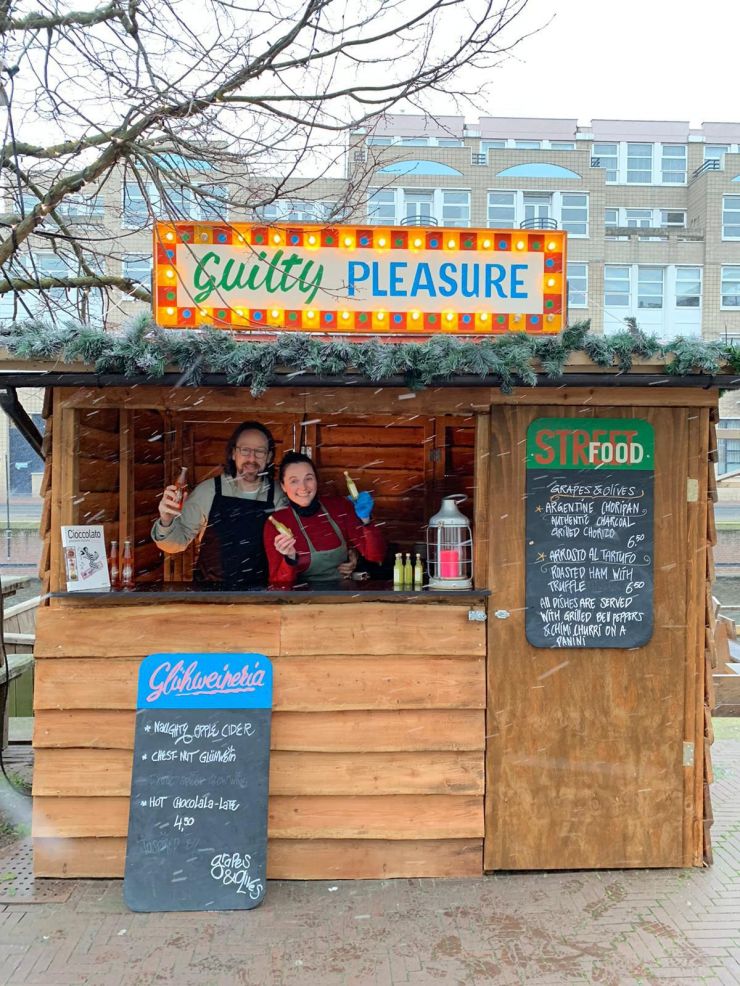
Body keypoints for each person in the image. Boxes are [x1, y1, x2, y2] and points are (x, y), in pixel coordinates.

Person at [152, 421, 287, 588]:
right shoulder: (208, 491)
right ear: (233, 453)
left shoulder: (279, 495)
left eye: (259, 451)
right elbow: (174, 545)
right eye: (245, 450)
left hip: (261, 595)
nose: (251, 458)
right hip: (210, 596)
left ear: (269, 457)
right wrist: (166, 521)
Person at [265, 451, 385, 587]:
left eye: (308, 478)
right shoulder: (276, 522)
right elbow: (279, 585)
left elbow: (376, 556)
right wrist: (290, 558)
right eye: (294, 481)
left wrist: (366, 520)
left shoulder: (339, 507)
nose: (303, 487)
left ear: (316, 480)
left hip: (344, 592)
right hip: (303, 598)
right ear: (283, 486)